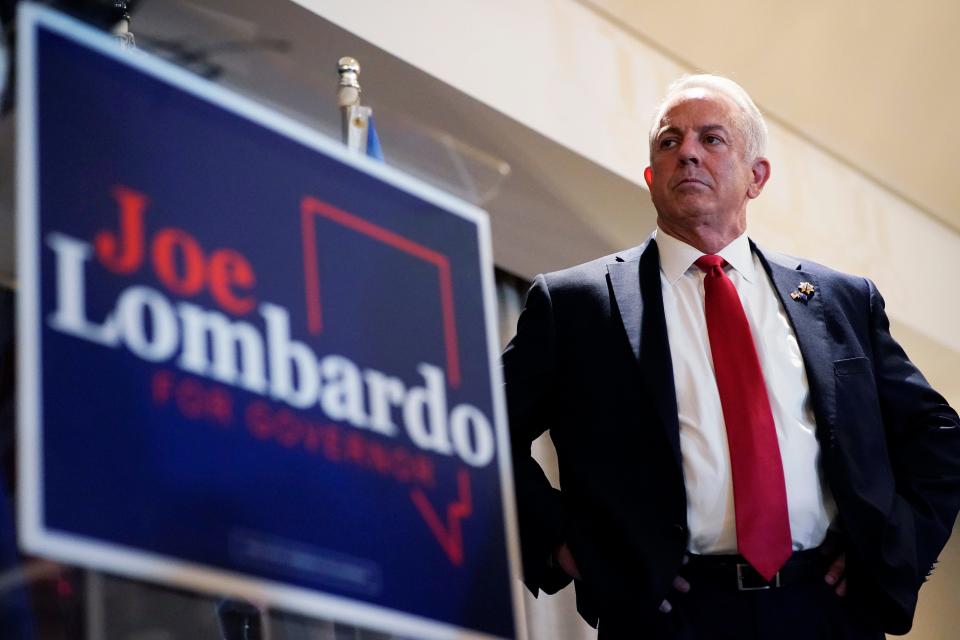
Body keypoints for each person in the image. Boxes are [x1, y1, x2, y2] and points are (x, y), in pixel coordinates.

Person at [502, 74, 960, 639]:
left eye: (712, 139)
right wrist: (564, 545)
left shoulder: (841, 299)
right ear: (651, 178)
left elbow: (938, 434)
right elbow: (486, 427)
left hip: (827, 609)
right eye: (669, 142)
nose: (687, 152)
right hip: (667, 614)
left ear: (756, 176)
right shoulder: (576, 304)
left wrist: (894, 550)